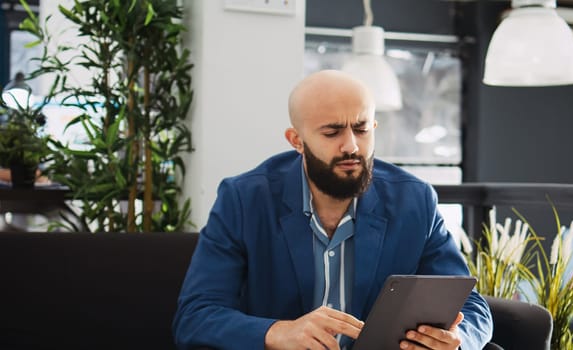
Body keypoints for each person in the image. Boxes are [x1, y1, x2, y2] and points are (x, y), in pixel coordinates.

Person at [173, 70, 493, 350]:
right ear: (296, 140)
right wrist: (278, 332)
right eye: (332, 132)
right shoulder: (243, 200)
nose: (351, 146)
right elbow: (196, 316)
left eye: (361, 128)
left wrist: (457, 340)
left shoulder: (415, 201)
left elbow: (472, 307)